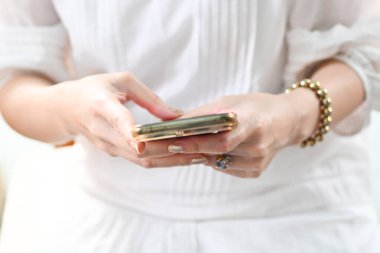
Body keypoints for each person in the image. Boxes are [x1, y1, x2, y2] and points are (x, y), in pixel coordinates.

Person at [0, 0, 380, 252]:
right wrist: (69, 108)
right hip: (97, 220)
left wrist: (293, 116)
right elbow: (17, 74)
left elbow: (365, 49)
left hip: (301, 216)